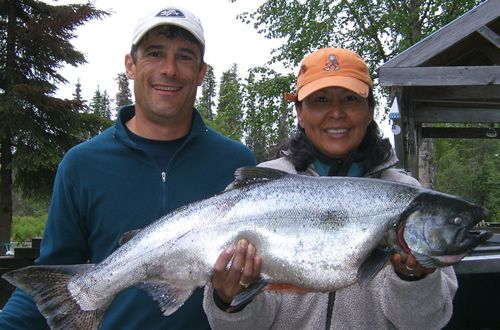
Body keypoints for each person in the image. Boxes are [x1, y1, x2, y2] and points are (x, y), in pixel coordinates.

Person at [0, 4, 255, 329]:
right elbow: (54, 277)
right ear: (130, 65)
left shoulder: (237, 163)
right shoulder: (82, 165)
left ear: (202, 72)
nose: (170, 69)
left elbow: (253, 293)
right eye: (154, 53)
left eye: (185, 57)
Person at [203, 48, 458, 329]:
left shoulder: (410, 200)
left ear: (370, 110)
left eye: (349, 99)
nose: (336, 113)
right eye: (320, 100)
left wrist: (414, 279)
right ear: (299, 112)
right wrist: (230, 298)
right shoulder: (257, 194)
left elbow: (427, 322)